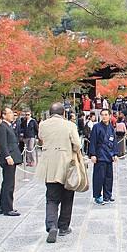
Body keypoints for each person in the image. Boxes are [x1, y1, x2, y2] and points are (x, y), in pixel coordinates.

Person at [36, 102, 81, 243]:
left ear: (50, 113)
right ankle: (63, 226)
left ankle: (51, 226)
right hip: (66, 164)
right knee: (67, 196)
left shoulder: (43, 124)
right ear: (64, 113)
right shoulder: (70, 125)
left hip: (49, 165)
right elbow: (77, 144)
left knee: (51, 198)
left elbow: (41, 139)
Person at [0, 108, 23, 216]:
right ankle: (8, 208)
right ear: (4, 115)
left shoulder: (8, 126)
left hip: (12, 155)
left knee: (7, 182)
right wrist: (7, 156)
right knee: (9, 183)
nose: (12, 115)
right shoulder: (2, 126)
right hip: (9, 157)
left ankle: (3, 207)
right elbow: (3, 143)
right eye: (10, 113)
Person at [89, 109, 119, 205]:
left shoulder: (111, 127)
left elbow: (114, 142)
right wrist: (93, 154)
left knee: (109, 177)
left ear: (110, 116)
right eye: (102, 115)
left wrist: (115, 154)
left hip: (109, 155)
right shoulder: (96, 127)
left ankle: (108, 195)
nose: (104, 116)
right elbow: (93, 141)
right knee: (99, 177)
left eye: (106, 114)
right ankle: (97, 196)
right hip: (100, 155)